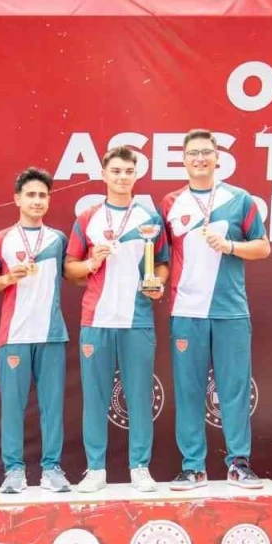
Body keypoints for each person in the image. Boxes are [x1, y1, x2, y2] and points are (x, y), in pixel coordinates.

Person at [161, 129, 271, 490]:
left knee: (234, 389)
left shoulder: (240, 199)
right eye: (193, 153)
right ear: (183, 159)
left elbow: (263, 248)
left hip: (230, 310)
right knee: (188, 390)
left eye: (206, 152)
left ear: (217, 157)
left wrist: (230, 246)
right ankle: (193, 467)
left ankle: (238, 463)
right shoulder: (170, 203)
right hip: (186, 310)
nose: (199, 159)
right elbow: (159, 255)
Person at [64, 145, 168, 492]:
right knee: (95, 397)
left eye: (128, 171)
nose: (122, 177)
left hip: (137, 319)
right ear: (104, 175)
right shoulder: (87, 218)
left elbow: (162, 264)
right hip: (97, 319)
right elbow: (70, 269)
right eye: (116, 171)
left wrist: (157, 284)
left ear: (136, 175)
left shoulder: (149, 219)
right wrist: (91, 262)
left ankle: (140, 467)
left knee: (139, 396)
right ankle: (96, 469)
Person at [0, 167, 71, 493]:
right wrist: (8, 278)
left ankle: (51, 469)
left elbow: (74, 273)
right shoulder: (0, 240)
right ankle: (14, 471)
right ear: (17, 199)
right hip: (14, 334)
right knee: (12, 407)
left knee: (52, 406)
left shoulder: (58, 239)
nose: (36, 200)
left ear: (49, 200)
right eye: (30, 194)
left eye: (42, 195)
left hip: (51, 333)